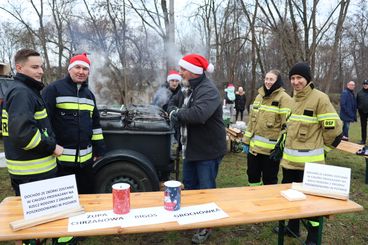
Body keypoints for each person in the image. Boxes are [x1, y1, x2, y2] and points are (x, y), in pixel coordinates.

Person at [274, 63, 342, 245]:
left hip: (310, 166)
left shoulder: (320, 99)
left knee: (311, 204)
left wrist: (324, 151)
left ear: (308, 79)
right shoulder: (293, 99)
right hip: (289, 164)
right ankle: (292, 228)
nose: (296, 82)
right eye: (293, 78)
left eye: (299, 78)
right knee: (290, 199)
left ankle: (313, 238)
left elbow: (334, 131)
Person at [2, 48, 63, 245]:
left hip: (31, 172)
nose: (40, 71)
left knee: (35, 224)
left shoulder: (24, 90)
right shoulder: (22, 93)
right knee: (34, 227)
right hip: (34, 174)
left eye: (42, 66)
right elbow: (24, 135)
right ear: (19, 67)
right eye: (35, 67)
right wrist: (52, 147)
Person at [168, 54, 226, 244]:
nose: (180, 72)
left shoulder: (208, 90)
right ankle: (195, 218)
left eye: (183, 69)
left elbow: (199, 114)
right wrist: (173, 111)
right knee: (190, 186)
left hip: (207, 151)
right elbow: (171, 103)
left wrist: (177, 114)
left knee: (206, 189)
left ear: (193, 71)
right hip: (190, 148)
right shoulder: (186, 88)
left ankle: (206, 225)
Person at [42, 53, 106, 195]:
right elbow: (43, 122)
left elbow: (95, 124)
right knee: (64, 203)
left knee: (87, 199)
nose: (81, 72)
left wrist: (99, 150)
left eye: (85, 69)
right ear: (69, 69)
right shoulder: (53, 90)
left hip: (86, 164)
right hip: (60, 162)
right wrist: (50, 146)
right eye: (77, 67)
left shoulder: (89, 95)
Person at [242, 70, 292, 186]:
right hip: (254, 150)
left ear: (277, 81)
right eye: (266, 79)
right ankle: (254, 200)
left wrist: (281, 146)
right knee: (252, 177)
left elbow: (287, 126)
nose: (268, 82)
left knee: (269, 180)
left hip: (271, 152)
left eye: (271, 79)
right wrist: (246, 141)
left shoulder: (284, 99)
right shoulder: (259, 97)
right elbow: (252, 122)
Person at [356, 79, 368, 144]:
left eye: (366, 84)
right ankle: (363, 140)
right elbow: (357, 102)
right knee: (363, 127)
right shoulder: (359, 93)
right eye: (364, 84)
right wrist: (359, 108)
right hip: (362, 112)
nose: (365, 85)